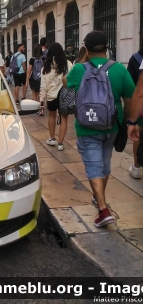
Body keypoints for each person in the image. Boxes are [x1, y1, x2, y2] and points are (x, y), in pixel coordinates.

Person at [66, 30, 135, 227]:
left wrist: (80, 64)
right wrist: (129, 122)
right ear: (107, 48)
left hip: (87, 126)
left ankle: (103, 210)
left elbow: (67, 85)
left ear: (86, 49)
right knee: (104, 163)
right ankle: (99, 197)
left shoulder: (79, 69)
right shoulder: (119, 70)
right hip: (112, 124)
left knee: (93, 166)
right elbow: (129, 99)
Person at [40, 42, 73, 151]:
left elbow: (43, 85)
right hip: (64, 95)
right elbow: (71, 78)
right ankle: (60, 143)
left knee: (51, 116)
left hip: (51, 96)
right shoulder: (67, 63)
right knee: (64, 118)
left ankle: (52, 138)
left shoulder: (46, 66)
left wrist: (41, 100)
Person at [126, 45, 143, 178]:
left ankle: (137, 166)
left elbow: (136, 90)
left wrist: (132, 121)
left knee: (138, 134)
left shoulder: (135, 59)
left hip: (141, 108)